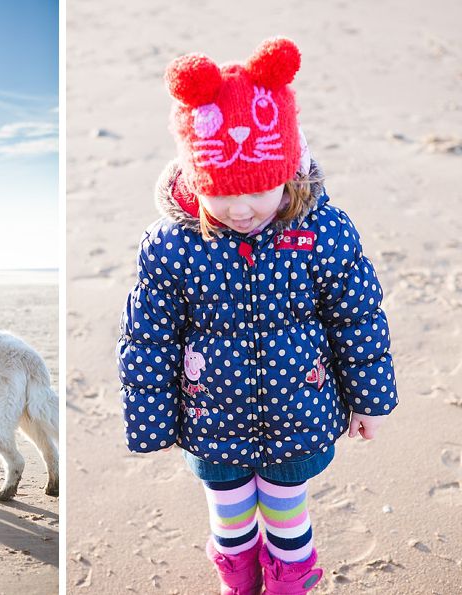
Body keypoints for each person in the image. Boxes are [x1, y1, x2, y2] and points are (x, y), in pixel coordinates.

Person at [116, 37, 397, 594]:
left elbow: (357, 319)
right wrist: (153, 418)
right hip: (213, 417)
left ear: (288, 171)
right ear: (196, 180)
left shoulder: (322, 232)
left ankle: (291, 580)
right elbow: (149, 338)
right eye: (222, 195)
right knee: (231, 518)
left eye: (259, 191)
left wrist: (369, 401)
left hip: (299, 410)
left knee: (287, 512)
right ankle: (239, 579)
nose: (241, 210)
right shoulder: (174, 244)